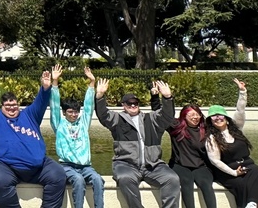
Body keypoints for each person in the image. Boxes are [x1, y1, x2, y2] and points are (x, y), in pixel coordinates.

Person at [0, 70, 66, 208]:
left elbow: (41, 102)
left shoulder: (29, 114)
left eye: (14, 105)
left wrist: (45, 87)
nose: (11, 108)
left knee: (58, 175)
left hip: (38, 168)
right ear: (1, 107)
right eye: (8, 106)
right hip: (5, 166)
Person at [95, 78, 179, 208]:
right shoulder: (117, 119)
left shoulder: (151, 119)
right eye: (129, 103)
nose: (133, 105)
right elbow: (103, 115)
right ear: (123, 105)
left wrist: (167, 98)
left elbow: (167, 116)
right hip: (126, 164)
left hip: (153, 165)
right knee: (125, 179)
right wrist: (100, 96)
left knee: (172, 179)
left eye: (136, 103)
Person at [206, 78, 258, 208]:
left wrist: (242, 92)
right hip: (228, 172)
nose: (218, 118)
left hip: (246, 166)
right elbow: (215, 161)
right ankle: (254, 204)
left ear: (227, 119)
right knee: (241, 184)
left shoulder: (237, 129)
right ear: (210, 122)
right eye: (214, 117)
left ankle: (252, 204)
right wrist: (234, 173)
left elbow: (240, 110)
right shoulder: (211, 139)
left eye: (220, 115)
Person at [49, 66, 103, 208]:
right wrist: (54, 82)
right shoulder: (59, 123)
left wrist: (92, 83)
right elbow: (54, 105)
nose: (74, 114)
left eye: (76, 112)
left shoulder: (83, 123)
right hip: (67, 166)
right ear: (65, 112)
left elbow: (89, 106)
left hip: (86, 166)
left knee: (97, 179)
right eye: (70, 112)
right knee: (78, 180)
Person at [168, 101, 215, 208]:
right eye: (191, 114)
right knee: (186, 183)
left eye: (197, 114)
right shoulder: (176, 127)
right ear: (184, 116)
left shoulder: (206, 129)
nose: (195, 117)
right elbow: (163, 115)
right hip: (180, 164)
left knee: (206, 184)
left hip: (200, 165)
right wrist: (163, 97)